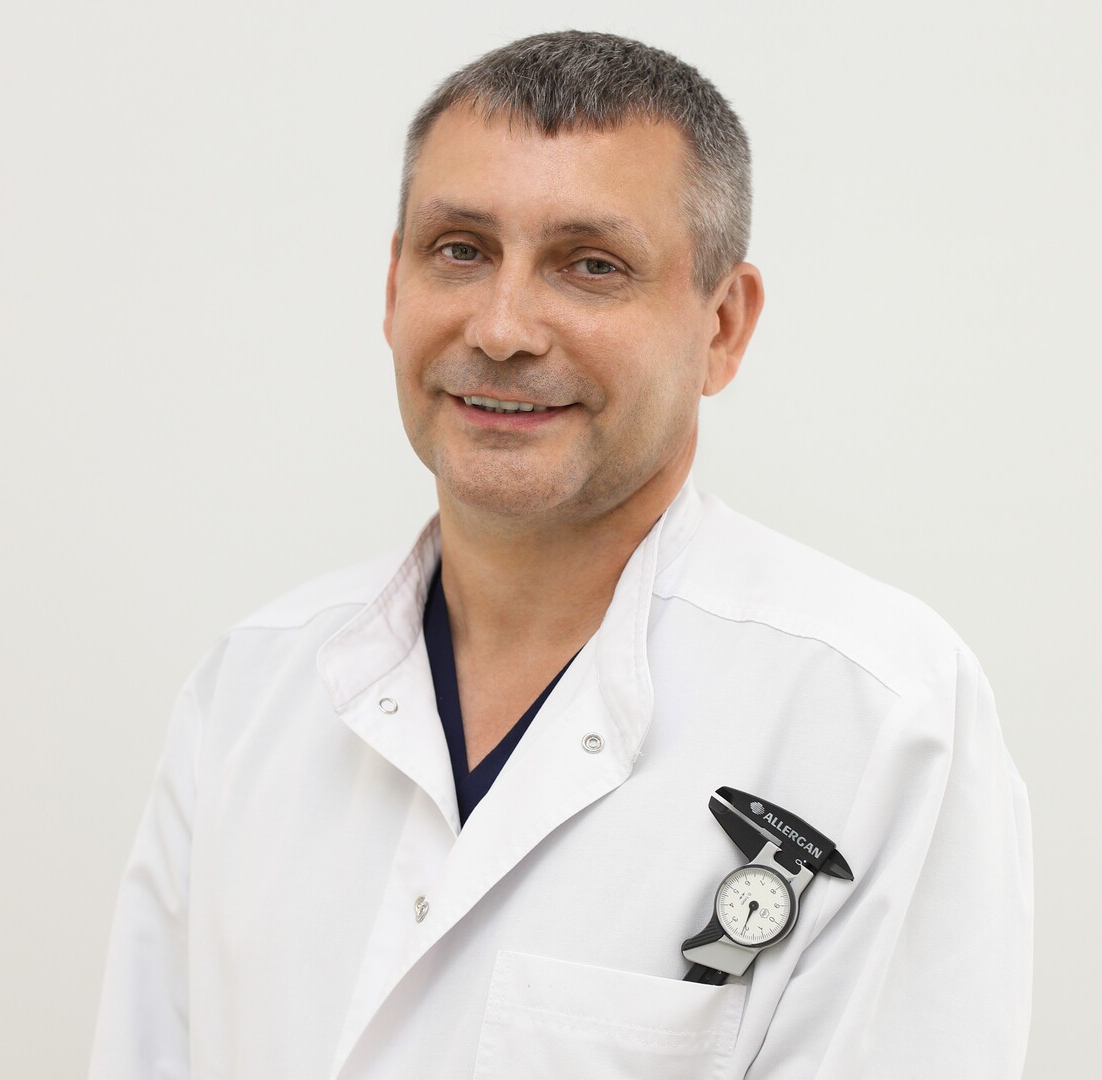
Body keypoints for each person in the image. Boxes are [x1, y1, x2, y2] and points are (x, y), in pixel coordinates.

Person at [88, 30, 1032, 1079]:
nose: (502, 330)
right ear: (393, 290)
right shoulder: (250, 689)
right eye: (460, 249)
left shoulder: (876, 713)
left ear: (723, 326)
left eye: (590, 266)